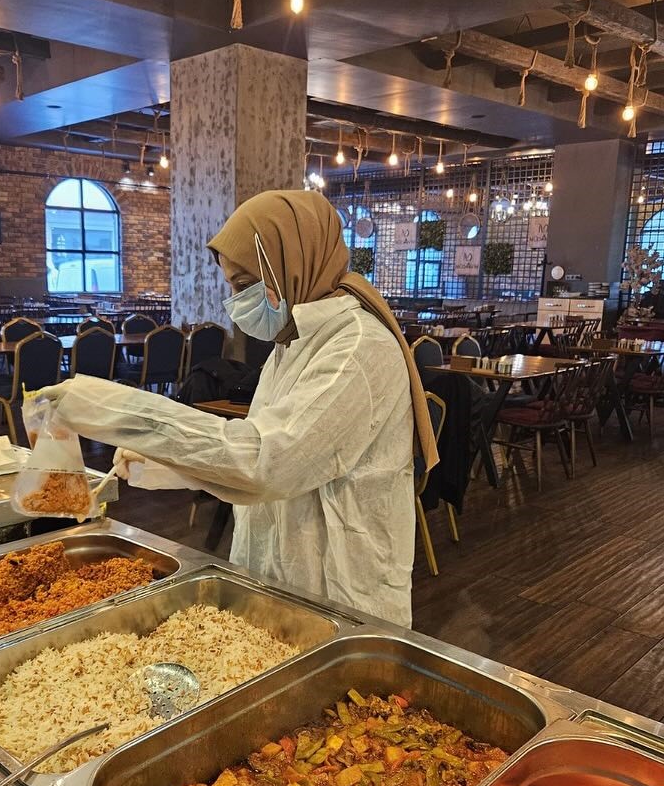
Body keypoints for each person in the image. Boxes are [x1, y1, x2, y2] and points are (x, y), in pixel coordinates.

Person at [42, 190, 437, 626]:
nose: (236, 303)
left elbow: (270, 461)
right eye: (231, 286)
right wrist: (168, 461)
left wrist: (126, 414)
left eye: (246, 285)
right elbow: (270, 448)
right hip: (285, 575)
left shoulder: (359, 348)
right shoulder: (295, 341)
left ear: (294, 265)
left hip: (339, 589)